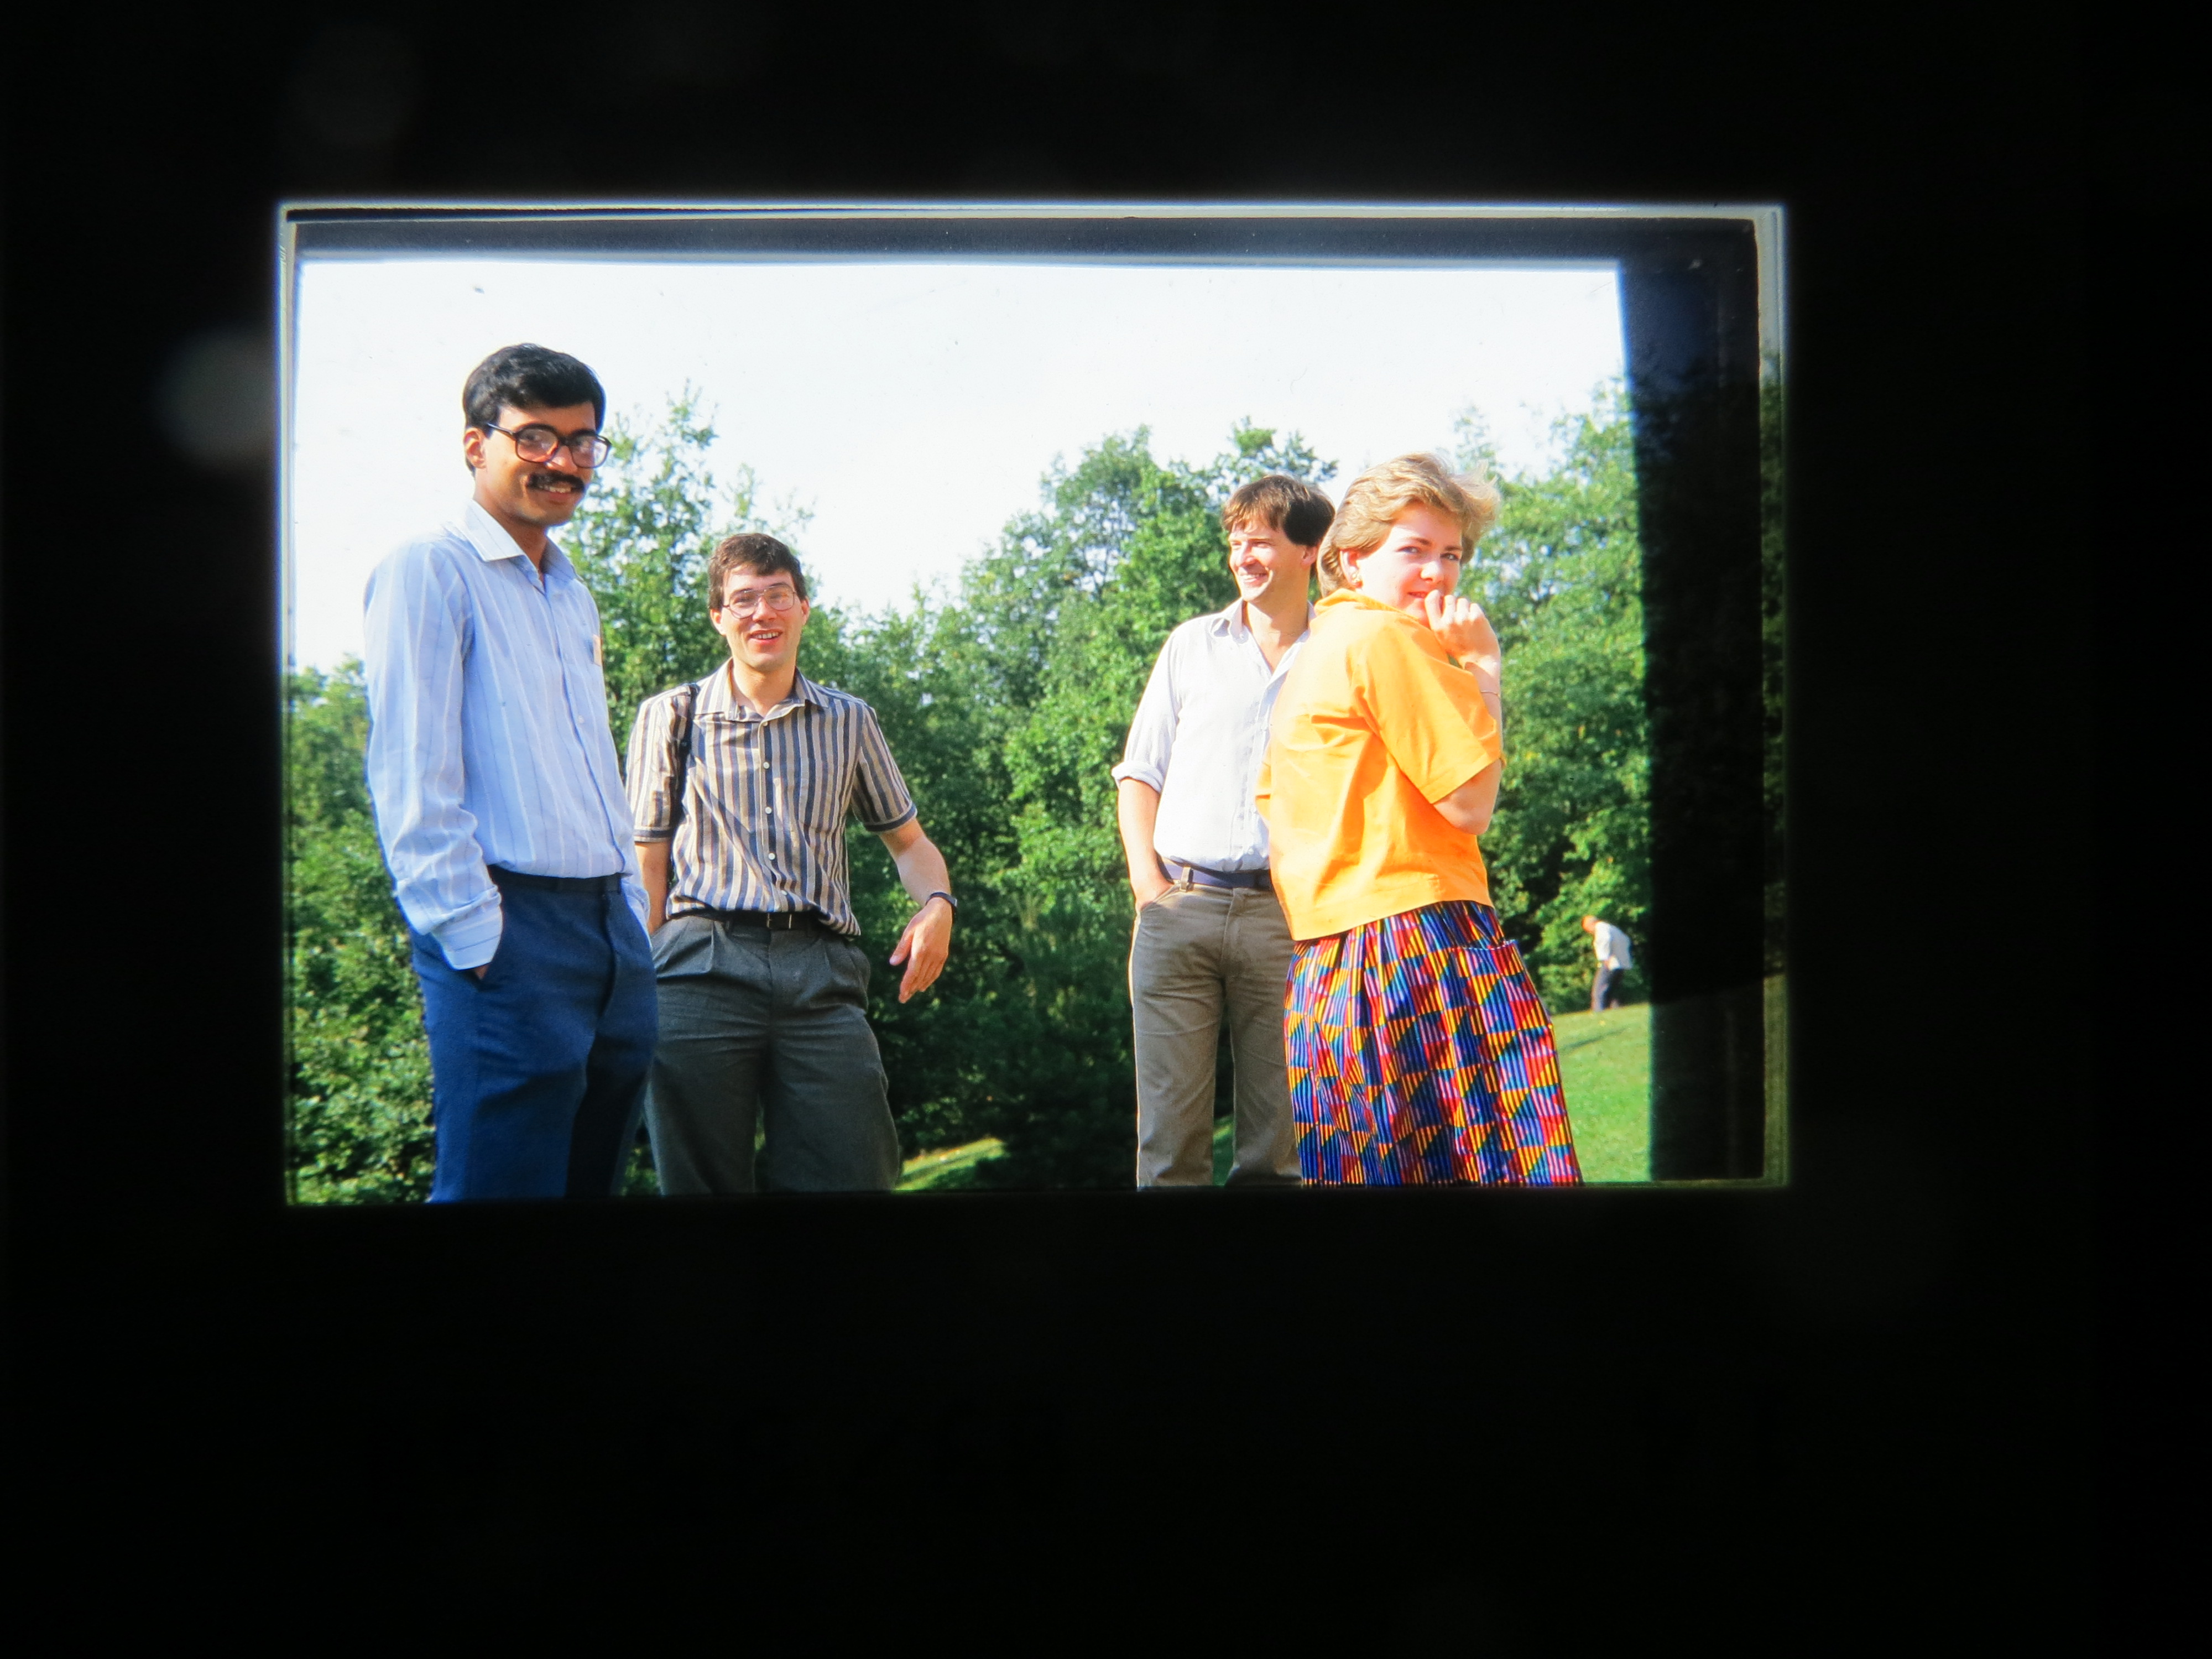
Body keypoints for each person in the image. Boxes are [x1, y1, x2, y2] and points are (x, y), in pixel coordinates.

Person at [362, 343, 656, 1201]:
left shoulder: (571, 592)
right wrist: (475, 937)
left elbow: (591, 765)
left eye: (582, 441)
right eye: (534, 438)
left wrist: (631, 916)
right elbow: (412, 775)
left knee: (591, 1189)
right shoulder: (429, 567)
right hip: (506, 928)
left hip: (610, 932)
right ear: (475, 445)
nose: (563, 461)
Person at [1257, 453, 1582, 1186]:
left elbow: (1274, 805)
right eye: (1413, 550)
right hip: (1419, 944)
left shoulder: (1316, 655)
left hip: (1329, 971)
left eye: (1451, 555)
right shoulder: (1387, 639)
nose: (1436, 574)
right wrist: (1484, 668)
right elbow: (1470, 804)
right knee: (1496, 1176)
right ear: (1352, 559)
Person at [625, 534, 954, 1193]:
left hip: (821, 974)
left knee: (857, 1175)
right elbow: (646, 864)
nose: (762, 613)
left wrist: (938, 905)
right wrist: (634, 985)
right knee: (701, 1190)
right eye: (743, 600)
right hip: (698, 970)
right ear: (719, 617)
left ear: (804, 608)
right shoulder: (671, 717)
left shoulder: (850, 721)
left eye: (778, 596)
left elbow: (910, 844)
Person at [1112, 473, 1334, 1188]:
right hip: (1180, 909)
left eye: (1260, 541)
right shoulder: (1190, 646)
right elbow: (1139, 775)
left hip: (1288, 920)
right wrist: (1149, 890)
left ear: (1309, 550)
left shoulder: (1339, 652)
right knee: (1170, 1151)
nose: (1243, 556)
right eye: (1236, 542)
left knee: (1277, 1154)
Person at [1583, 914, 1634, 1011]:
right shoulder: (1612, 928)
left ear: (1591, 924)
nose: (1589, 932)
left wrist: (1605, 957)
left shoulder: (1601, 929)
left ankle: (1598, 1011)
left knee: (1599, 990)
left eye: (1588, 929)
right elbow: (1626, 940)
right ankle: (1616, 1009)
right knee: (1613, 990)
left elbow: (1605, 940)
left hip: (1610, 962)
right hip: (1621, 963)